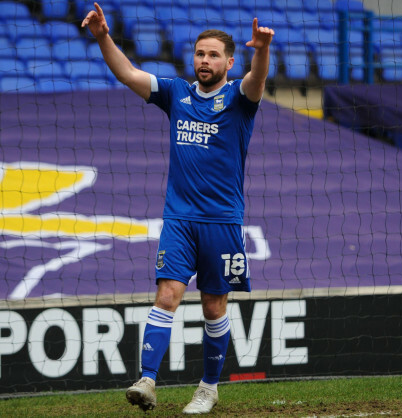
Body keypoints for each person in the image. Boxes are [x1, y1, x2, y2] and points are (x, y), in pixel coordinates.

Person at [82, 3, 274, 414]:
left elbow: (258, 79)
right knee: (166, 295)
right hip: (179, 220)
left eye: (213, 55)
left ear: (228, 61)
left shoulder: (239, 98)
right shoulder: (177, 93)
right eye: (200, 54)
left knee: (213, 306)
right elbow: (128, 73)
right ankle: (147, 380)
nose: (204, 61)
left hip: (222, 221)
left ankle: (207, 388)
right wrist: (102, 36)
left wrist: (261, 50)